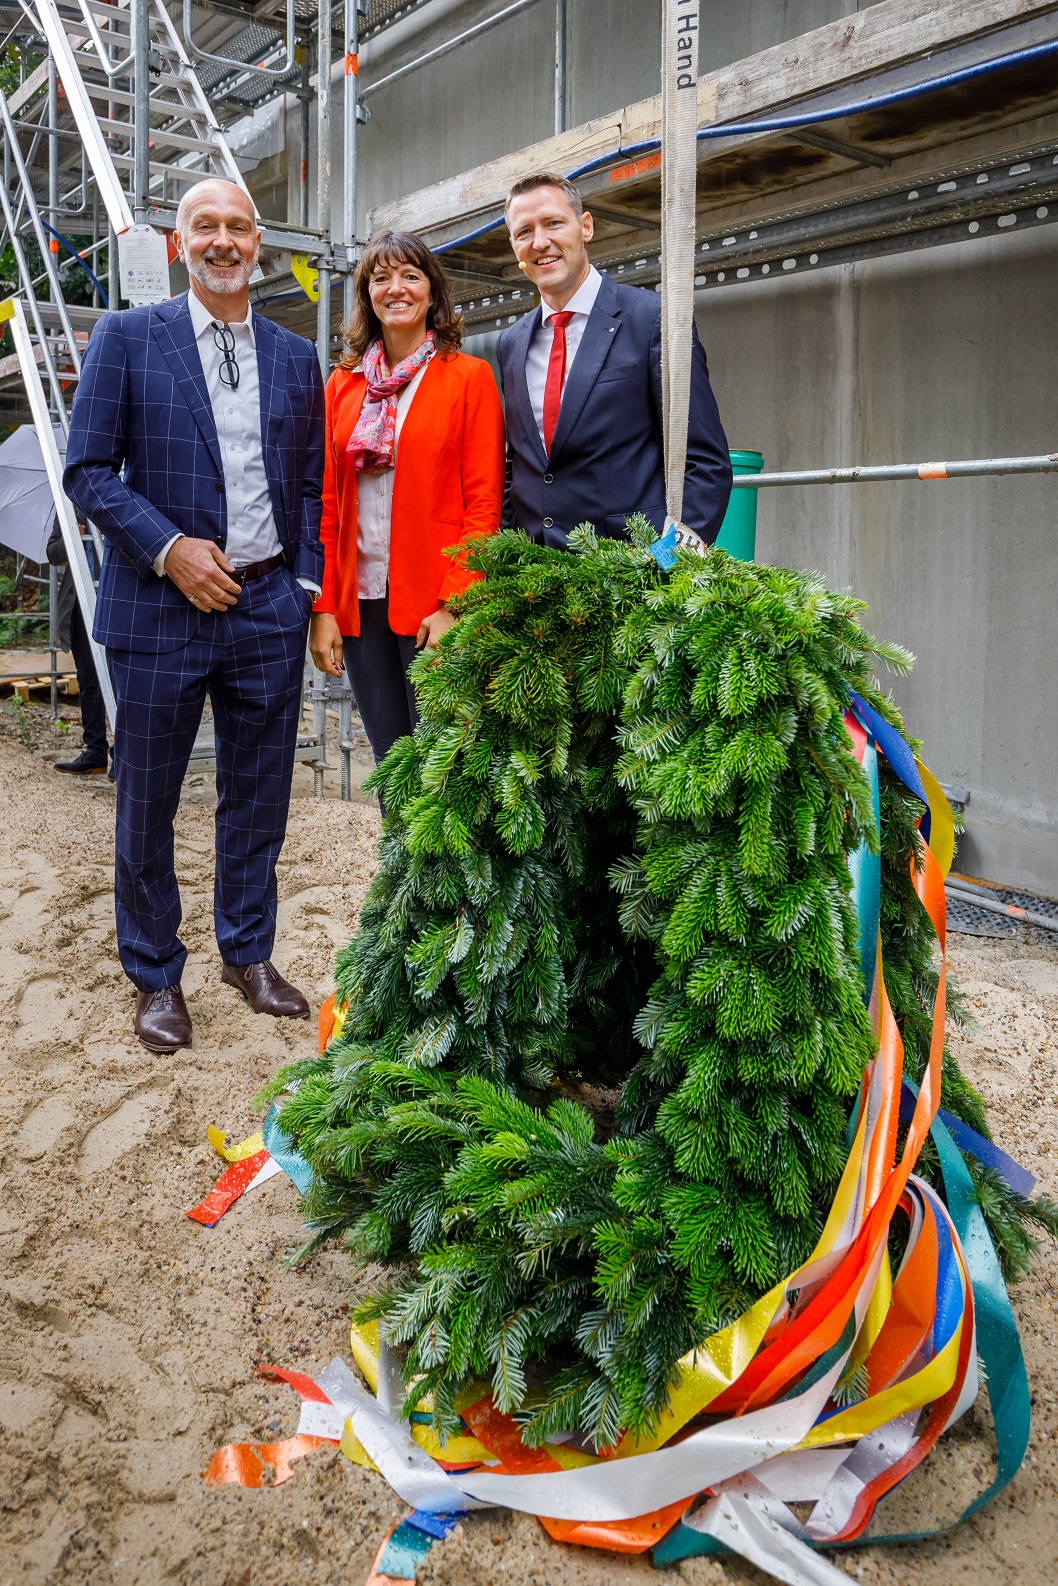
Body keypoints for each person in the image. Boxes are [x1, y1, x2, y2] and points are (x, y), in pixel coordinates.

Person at [63, 178, 324, 1055]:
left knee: (257, 800)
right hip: (161, 607)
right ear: (179, 244)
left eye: (238, 228)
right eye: (205, 227)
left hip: (266, 609)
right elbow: (89, 471)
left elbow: (315, 487)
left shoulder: (295, 355)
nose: (223, 241)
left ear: (259, 243)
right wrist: (170, 549)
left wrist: (304, 590)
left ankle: (247, 954)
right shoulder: (128, 339)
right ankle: (155, 974)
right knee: (146, 801)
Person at [308, 230, 505, 766]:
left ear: (432, 293)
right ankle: (396, 853)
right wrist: (324, 608)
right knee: (392, 766)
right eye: (380, 278)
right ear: (367, 295)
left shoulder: (469, 378)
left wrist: (454, 605)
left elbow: (484, 504)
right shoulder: (342, 387)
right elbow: (325, 502)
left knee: (446, 770)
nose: (396, 289)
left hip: (434, 607)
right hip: (362, 602)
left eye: (410, 276)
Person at [498, 172, 732, 548]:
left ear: (585, 227)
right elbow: (518, 466)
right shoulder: (511, 343)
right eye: (524, 232)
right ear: (513, 246)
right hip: (534, 580)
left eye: (553, 223)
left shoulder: (653, 319)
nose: (540, 242)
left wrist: (665, 567)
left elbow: (704, 460)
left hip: (628, 576)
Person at [46, 517, 110, 776]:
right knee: (89, 680)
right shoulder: (70, 503)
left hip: (115, 597)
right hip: (80, 604)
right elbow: (53, 553)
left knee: (120, 679)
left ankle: (124, 756)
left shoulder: (125, 492)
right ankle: (95, 752)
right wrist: (72, 535)